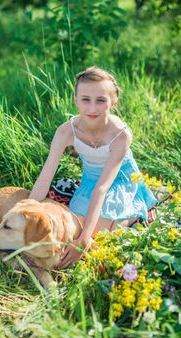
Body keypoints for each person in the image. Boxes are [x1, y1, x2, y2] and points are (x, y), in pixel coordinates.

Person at [29, 66, 157, 268]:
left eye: (101, 100)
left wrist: (83, 241)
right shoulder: (66, 131)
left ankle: (131, 214)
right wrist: (27, 210)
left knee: (92, 231)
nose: (92, 108)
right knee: (75, 223)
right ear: (75, 100)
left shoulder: (120, 135)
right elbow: (45, 177)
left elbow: (103, 188)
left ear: (113, 102)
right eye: (85, 99)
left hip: (120, 181)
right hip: (90, 180)